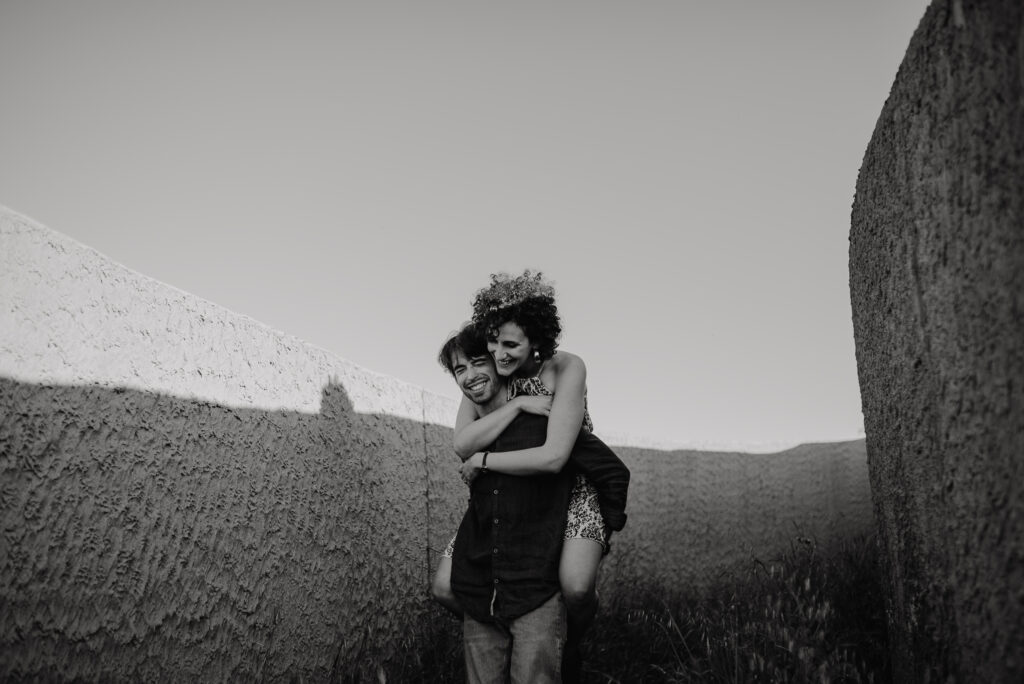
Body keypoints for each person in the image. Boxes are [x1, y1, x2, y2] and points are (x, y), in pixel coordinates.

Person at [440, 270, 630, 680]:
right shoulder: (490, 371)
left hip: (571, 482)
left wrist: (483, 462)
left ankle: (570, 643)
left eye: (510, 345)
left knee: (576, 585)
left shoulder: (567, 367)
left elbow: (554, 456)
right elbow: (463, 442)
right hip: (512, 488)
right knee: (446, 583)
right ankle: (508, 632)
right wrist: (514, 409)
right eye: (493, 342)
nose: (498, 353)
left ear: (537, 340)